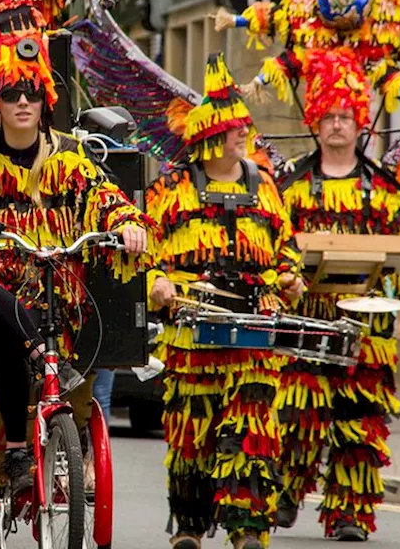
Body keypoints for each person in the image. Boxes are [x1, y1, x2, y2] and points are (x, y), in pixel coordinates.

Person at [0, 28, 151, 493]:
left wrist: (129, 222)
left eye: (32, 92)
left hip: (49, 294)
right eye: (12, 94)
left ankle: (28, 413)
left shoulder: (71, 159)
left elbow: (105, 196)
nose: (23, 102)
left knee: (17, 330)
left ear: (45, 99)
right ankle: (29, 400)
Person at [144, 55, 304, 549]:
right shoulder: (170, 189)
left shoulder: (264, 185)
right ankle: (189, 526)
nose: (246, 137)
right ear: (212, 135)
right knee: (192, 433)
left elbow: (286, 250)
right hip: (191, 333)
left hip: (253, 326)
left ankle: (247, 530)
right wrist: (156, 281)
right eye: (237, 129)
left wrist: (290, 277)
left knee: (251, 428)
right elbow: (143, 253)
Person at [275, 97, 400, 542]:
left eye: (345, 118)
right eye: (329, 118)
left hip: (367, 320)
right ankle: (289, 488)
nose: (337, 126)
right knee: (299, 415)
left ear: (361, 128)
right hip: (306, 317)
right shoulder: (292, 184)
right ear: (315, 126)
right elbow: (274, 237)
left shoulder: (382, 186)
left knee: (358, 422)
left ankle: (350, 513)